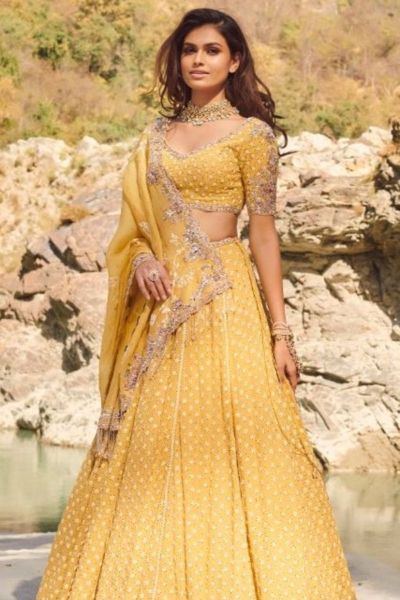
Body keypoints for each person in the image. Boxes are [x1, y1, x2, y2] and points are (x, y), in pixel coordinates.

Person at [36, 7, 357, 600]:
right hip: (160, 304)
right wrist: (141, 261)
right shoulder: (155, 137)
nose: (198, 60)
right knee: (149, 438)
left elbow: (264, 236)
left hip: (225, 299)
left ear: (234, 61)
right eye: (189, 50)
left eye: (212, 50)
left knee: (236, 436)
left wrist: (281, 333)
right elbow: (136, 226)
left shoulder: (252, 137)